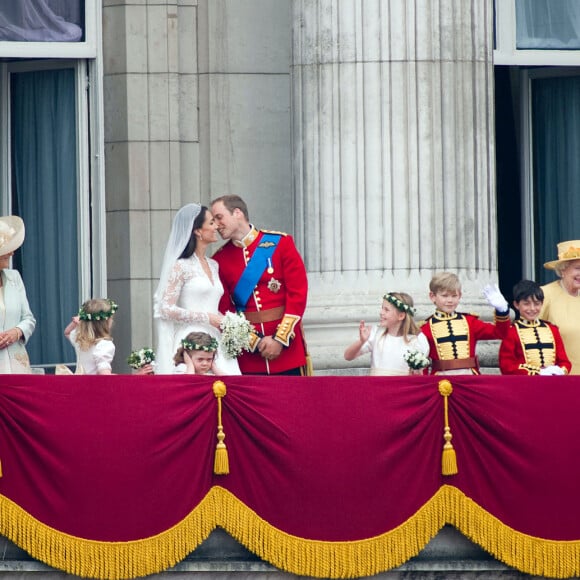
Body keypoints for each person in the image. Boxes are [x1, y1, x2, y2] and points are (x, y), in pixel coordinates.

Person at [210, 194, 309, 375]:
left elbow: (298, 294)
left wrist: (280, 339)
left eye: (219, 217)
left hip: (287, 350)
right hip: (251, 356)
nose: (216, 225)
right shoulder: (220, 259)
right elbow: (225, 309)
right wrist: (255, 342)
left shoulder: (281, 243)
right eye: (213, 220)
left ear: (237, 213)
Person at [154, 203, 241, 375]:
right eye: (211, 223)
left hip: (216, 339)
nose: (216, 226)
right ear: (197, 231)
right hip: (190, 339)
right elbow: (165, 309)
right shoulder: (180, 266)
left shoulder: (214, 264)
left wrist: (230, 324)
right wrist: (207, 317)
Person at [421, 272, 511, 375]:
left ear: (460, 295)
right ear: (432, 296)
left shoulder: (470, 322)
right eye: (445, 296)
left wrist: (502, 311)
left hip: (470, 377)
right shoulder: (425, 328)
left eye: (454, 296)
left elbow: (500, 333)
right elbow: (422, 364)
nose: (450, 300)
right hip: (441, 380)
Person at [344, 292, 429, 376]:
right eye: (382, 308)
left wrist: (416, 372)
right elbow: (348, 356)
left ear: (401, 316)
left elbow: (418, 373)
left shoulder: (416, 340)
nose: (381, 312)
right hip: (377, 387)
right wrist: (361, 341)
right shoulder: (376, 334)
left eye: (386, 310)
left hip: (401, 387)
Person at [499, 280, 571, 376]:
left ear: (542, 304)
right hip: (524, 386)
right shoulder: (511, 331)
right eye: (526, 304)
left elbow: (564, 361)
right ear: (516, 305)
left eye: (536, 303)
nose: (532, 308)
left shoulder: (552, 329)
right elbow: (507, 366)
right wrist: (538, 372)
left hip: (552, 384)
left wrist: (560, 370)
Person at [0, 215, 36, 374]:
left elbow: (28, 318)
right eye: (6, 249)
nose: (12, 253)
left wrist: (17, 331)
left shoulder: (14, 278)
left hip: (16, 363)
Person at [539, 240, 580, 375]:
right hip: (561, 379)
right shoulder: (545, 295)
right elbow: (528, 332)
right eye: (578, 268)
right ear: (563, 269)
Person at [64, 299, 118, 375]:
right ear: (106, 322)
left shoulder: (80, 340)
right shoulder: (104, 345)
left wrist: (75, 322)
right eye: (111, 318)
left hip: (79, 383)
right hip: (93, 385)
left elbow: (67, 332)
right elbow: (105, 375)